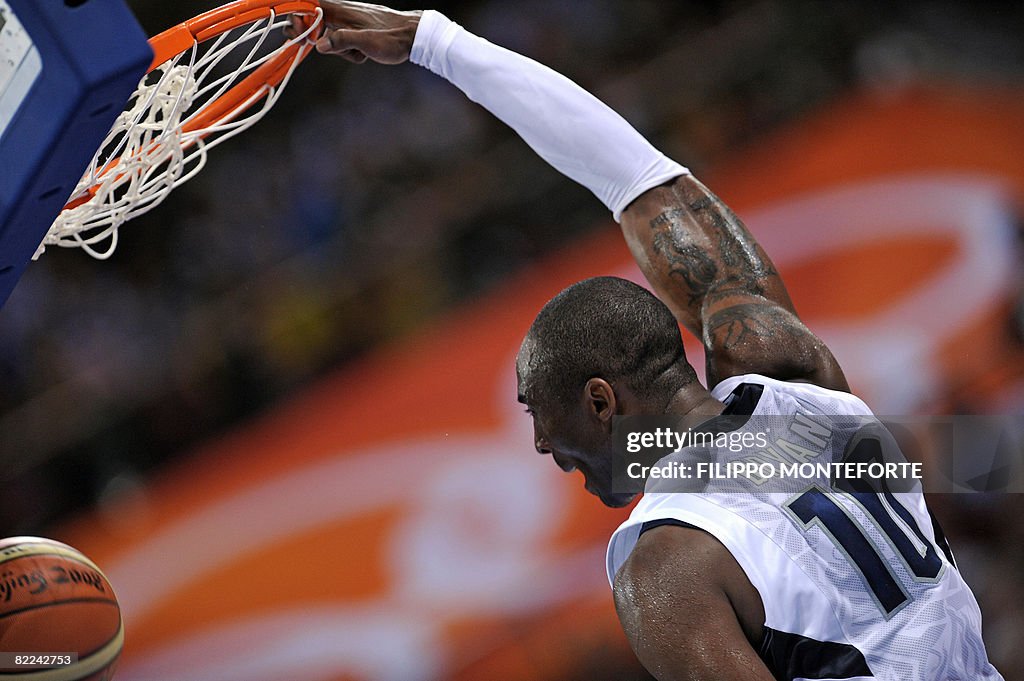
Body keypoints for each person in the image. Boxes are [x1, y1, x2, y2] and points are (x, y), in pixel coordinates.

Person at [298, 3, 1004, 679]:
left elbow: (634, 178)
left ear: (601, 400)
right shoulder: (789, 369)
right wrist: (435, 42)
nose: (542, 444)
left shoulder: (665, 566)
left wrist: (436, 43)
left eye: (536, 410)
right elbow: (637, 178)